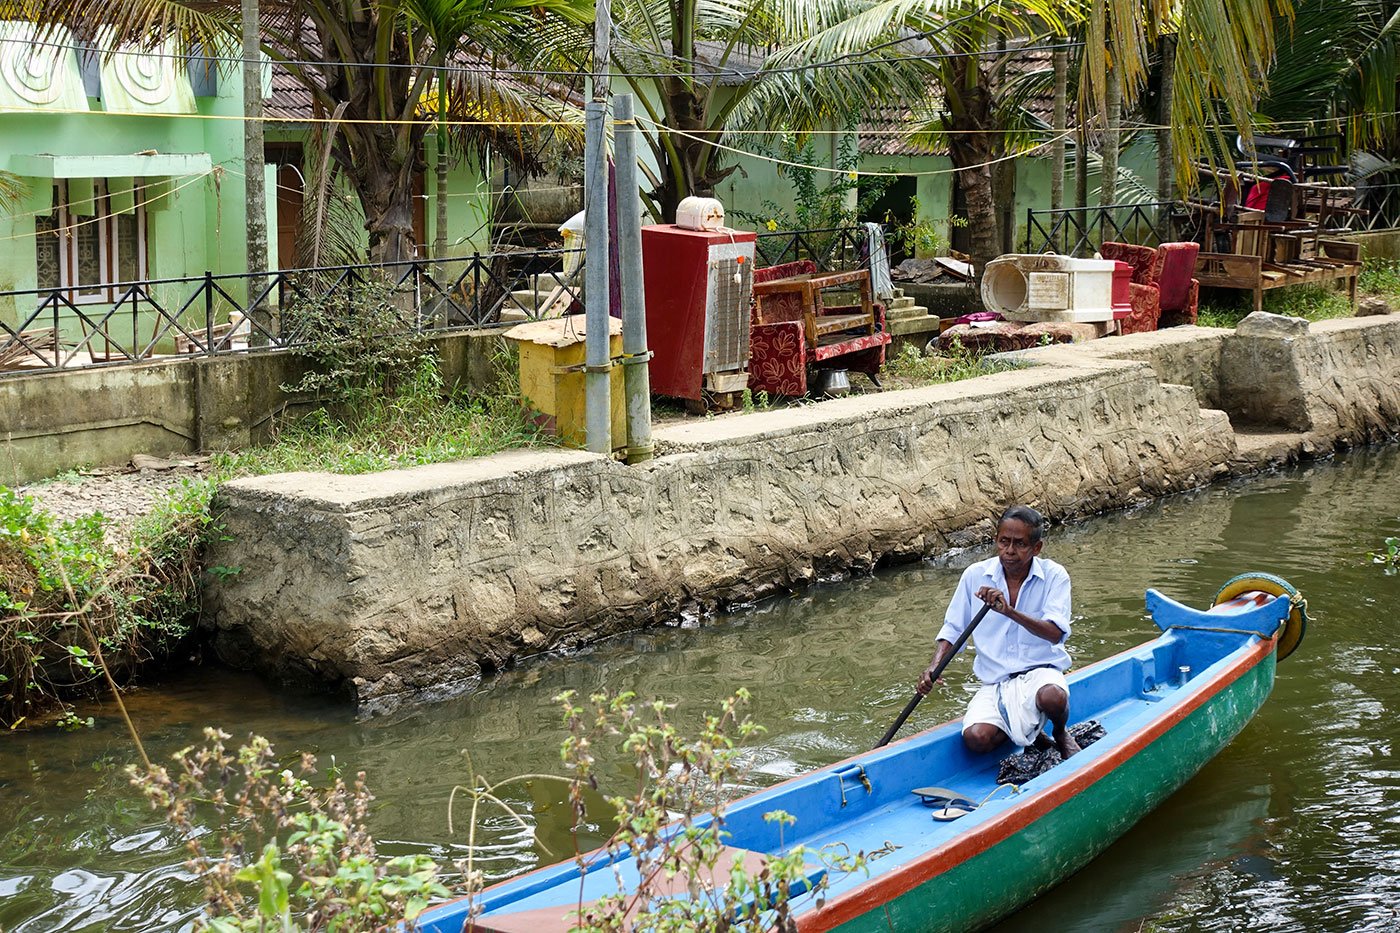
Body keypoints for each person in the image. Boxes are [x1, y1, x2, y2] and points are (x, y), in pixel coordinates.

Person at [916, 505, 1080, 759]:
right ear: (996, 540)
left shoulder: (1055, 576)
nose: (1010, 551)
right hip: (996, 682)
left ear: (1037, 548)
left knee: (1053, 698)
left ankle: (1059, 731)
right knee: (976, 739)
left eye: (1020, 544)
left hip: (1040, 673)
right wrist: (934, 666)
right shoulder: (975, 575)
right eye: (1004, 542)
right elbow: (954, 628)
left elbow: (1055, 633)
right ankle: (1031, 733)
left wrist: (1009, 611)